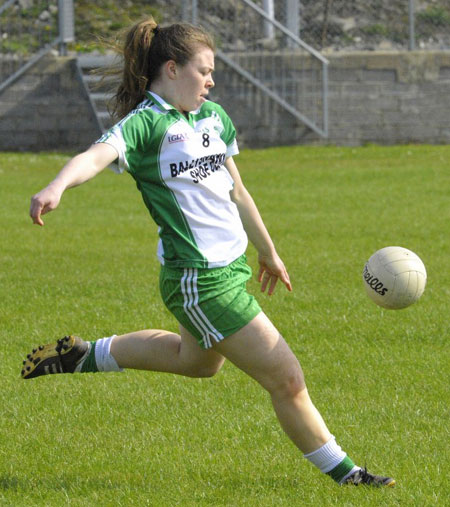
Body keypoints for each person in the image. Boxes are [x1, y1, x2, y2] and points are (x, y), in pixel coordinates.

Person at [21, 18, 394, 488]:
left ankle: (82, 355)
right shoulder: (145, 123)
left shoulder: (213, 118)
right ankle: (349, 475)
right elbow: (94, 157)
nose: (211, 80)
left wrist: (267, 252)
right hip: (200, 280)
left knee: (197, 362)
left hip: (230, 268)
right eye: (205, 70)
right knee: (286, 378)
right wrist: (56, 186)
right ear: (172, 69)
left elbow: (238, 192)